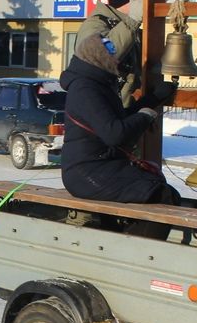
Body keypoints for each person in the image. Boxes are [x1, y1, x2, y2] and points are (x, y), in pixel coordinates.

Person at [60, 32, 180, 206]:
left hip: (100, 167)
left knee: (156, 182)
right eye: (110, 52)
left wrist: (153, 98)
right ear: (97, 57)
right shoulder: (84, 88)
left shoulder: (97, 84)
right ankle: (133, 234)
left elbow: (120, 119)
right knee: (161, 194)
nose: (117, 58)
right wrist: (145, 116)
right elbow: (114, 133)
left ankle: (121, 232)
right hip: (86, 172)